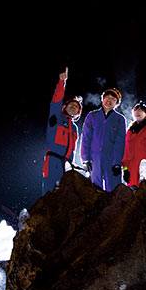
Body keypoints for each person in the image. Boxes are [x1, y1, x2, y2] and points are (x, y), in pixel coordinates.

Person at [42, 68, 82, 196]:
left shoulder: (75, 128)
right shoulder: (56, 117)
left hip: (67, 165)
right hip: (53, 161)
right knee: (49, 192)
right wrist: (62, 82)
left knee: (63, 195)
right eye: (71, 104)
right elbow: (56, 102)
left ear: (77, 114)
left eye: (76, 107)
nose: (73, 107)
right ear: (65, 106)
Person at [80, 87, 127, 191]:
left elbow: (120, 142)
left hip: (111, 159)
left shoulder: (120, 119)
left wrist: (117, 163)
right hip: (94, 158)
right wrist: (85, 159)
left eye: (113, 99)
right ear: (102, 99)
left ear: (117, 103)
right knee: (95, 189)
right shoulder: (92, 116)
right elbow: (86, 138)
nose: (109, 100)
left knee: (113, 189)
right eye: (107, 97)